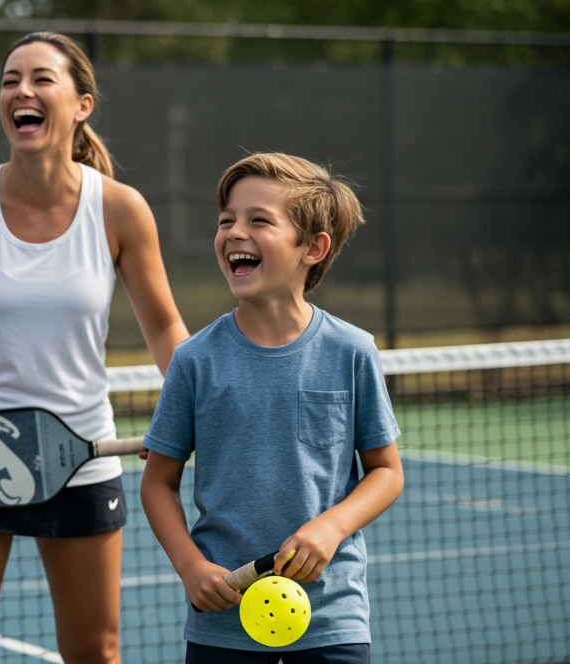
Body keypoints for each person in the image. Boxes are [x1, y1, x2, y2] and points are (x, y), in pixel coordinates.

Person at [0, 31, 191, 664]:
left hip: (84, 459)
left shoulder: (120, 210)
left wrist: (195, 403)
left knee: (96, 652)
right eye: (10, 80)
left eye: (40, 79)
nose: (22, 92)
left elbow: (166, 328)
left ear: (82, 104)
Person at [139, 152, 405, 663]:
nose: (235, 232)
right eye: (225, 221)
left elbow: (386, 472)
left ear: (313, 247)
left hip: (331, 619)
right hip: (222, 623)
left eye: (259, 220)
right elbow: (157, 482)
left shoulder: (352, 351)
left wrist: (331, 527)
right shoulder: (193, 360)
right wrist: (191, 567)